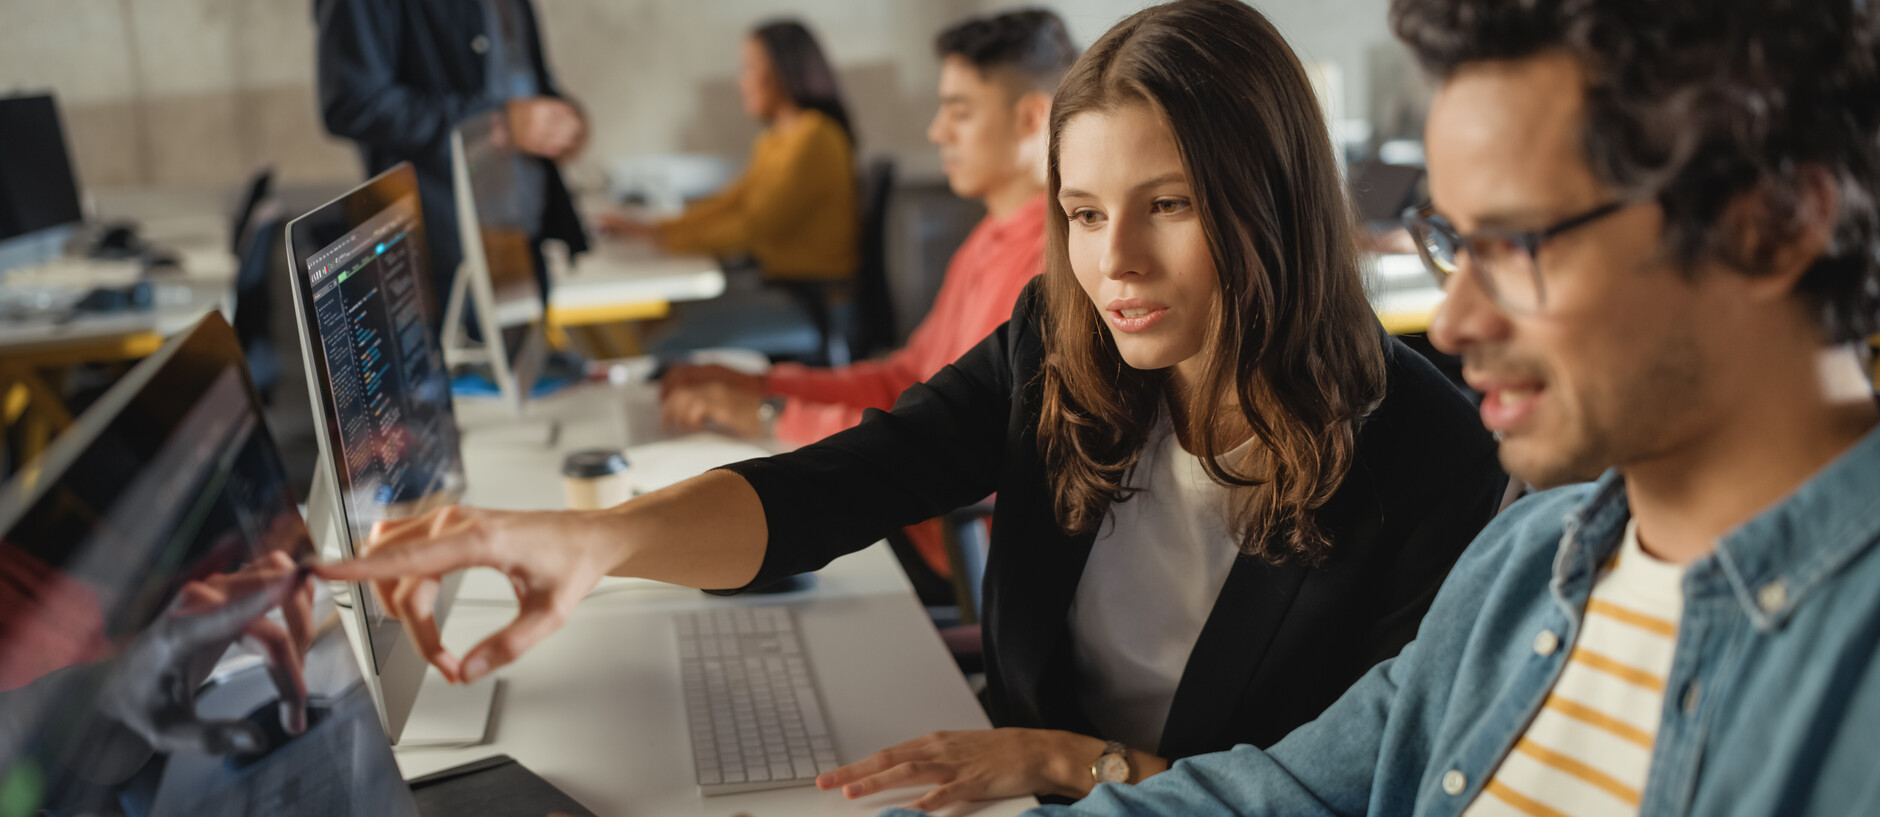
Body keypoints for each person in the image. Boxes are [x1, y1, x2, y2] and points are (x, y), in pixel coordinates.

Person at [317, 0, 1506, 809]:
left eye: (1172, 205)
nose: (1117, 265)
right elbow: (853, 478)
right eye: (1084, 215)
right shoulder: (1066, 341)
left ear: (1274, 203)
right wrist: (595, 542)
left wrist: (1069, 762)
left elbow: (1368, 792)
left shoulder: (1427, 456)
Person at [920, 0, 1880, 814]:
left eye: (1521, 243)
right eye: (1455, 240)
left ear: (1773, 227)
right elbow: (1280, 794)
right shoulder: (1532, 562)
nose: (1457, 317)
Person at [657, 9, 1077, 587]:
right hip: (913, 507)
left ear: (1031, 118)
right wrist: (761, 385)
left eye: (959, 111)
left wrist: (768, 412)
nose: (936, 132)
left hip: (947, 543)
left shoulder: (1046, 272)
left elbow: (951, 451)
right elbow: (907, 380)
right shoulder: (989, 236)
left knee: (712, 546)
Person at [314, 0, 591, 324]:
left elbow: (516, 74)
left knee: (526, 366)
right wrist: (496, 124)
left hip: (520, 240)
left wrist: (561, 123)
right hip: (442, 256)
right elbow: (352, 103)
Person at [603, 20, 859, 285]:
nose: (742, 83)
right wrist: (653, 229)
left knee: (674, 318)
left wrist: (666, 239)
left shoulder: (814, 137)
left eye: (749, 68)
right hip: (778, 281)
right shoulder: (774, 140)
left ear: (783, 70)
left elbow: (755, 227)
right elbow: (729, 203)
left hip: (810, 292)